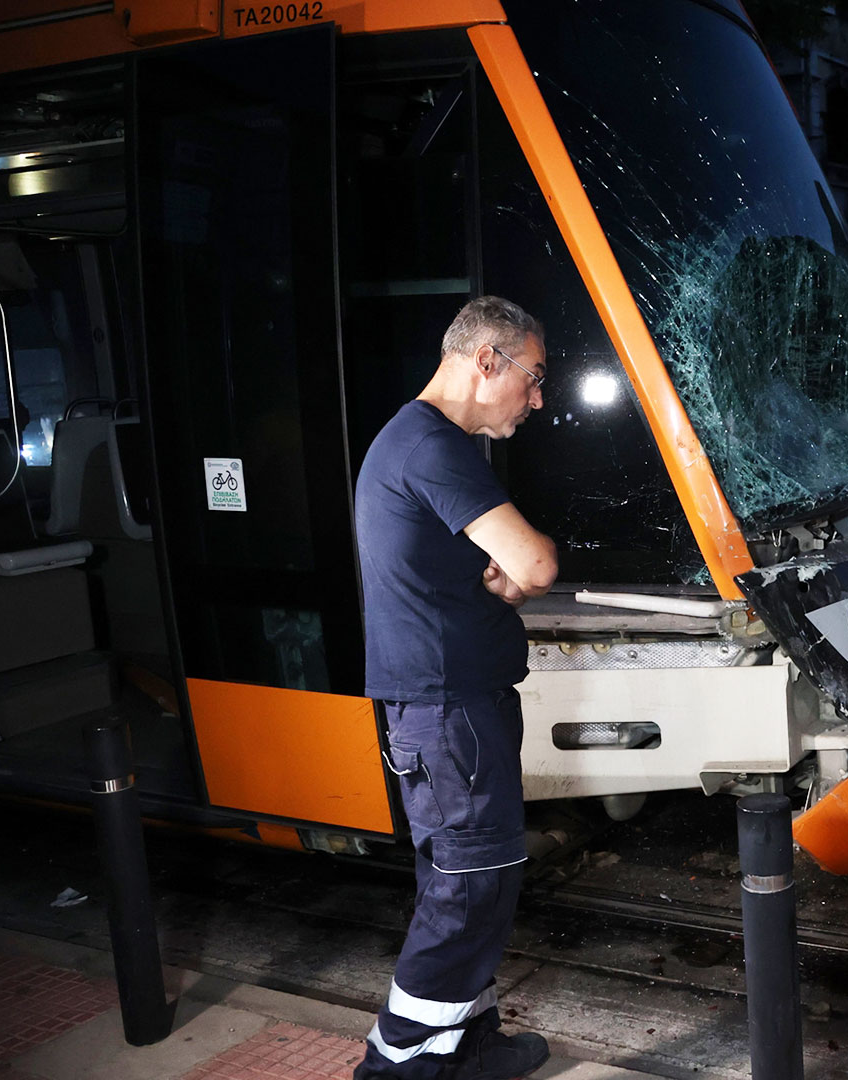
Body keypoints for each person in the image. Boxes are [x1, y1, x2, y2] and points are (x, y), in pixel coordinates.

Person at [353, 296, 559, 1080]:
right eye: (533, 379)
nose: (538, 399)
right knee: (467, 893)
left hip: (454, 709)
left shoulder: (431, 444)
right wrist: (530, 565)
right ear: (487, 362)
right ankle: (394, 1063)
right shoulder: (432, 447)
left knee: (475, 880)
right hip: (447, 715)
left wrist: (504, 574)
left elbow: (486, 566)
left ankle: (466, 1044)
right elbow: (534, 564)